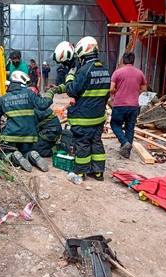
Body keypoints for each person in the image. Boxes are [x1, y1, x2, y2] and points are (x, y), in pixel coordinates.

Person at [54, 37, 111, 182]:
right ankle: (98, 173)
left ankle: (80, 172)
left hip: (83, 117)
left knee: (82, 144)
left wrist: (70, 77)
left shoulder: (84, 71)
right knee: (96, 142)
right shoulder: (105, 70)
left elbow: (73, 90)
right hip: (98, 117)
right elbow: (106, 95)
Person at [0, 71, 56, 172]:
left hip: (11, 136)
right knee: (26, 151)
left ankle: (13, 156)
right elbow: (43, 105)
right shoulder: (29, 94)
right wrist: (51, 92)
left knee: (5, 154)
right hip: (29, 135)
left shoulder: (3, 99)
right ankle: (31, 154)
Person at [109, 51, 147, 159]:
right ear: (133, 61)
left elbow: (111, 88)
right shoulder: (139, 73)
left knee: (115, 124)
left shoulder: (117, 72)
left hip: (119, 104)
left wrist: (115, 91)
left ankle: (124, 142)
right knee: (130, 128)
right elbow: (144, 89)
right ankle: (127, 153)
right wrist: (135, 91)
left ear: (123, 60)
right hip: (133, 105)